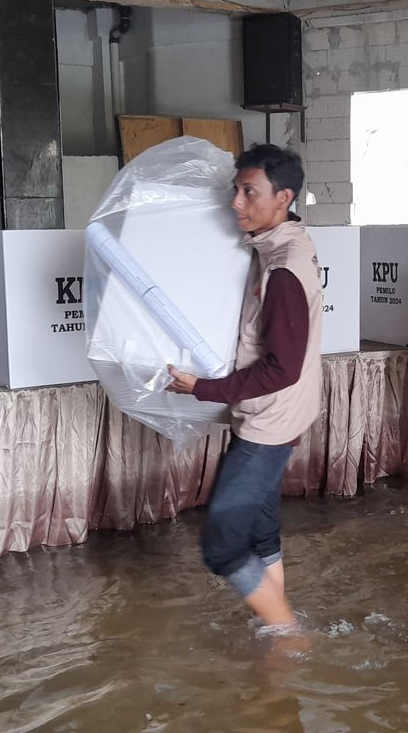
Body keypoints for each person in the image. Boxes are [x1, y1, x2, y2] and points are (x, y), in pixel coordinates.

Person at [167, 144, 322, 633]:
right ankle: (277, 626)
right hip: (275, 413)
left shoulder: (282, 271)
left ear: (284, 197)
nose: (236, 202)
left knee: (222, 543)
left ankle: (291, 638)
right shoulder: (277, 247)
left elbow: (282, 369)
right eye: (236, 190)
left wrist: (203, 388)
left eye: (248, 191)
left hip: (270, 420)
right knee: (259, 529)